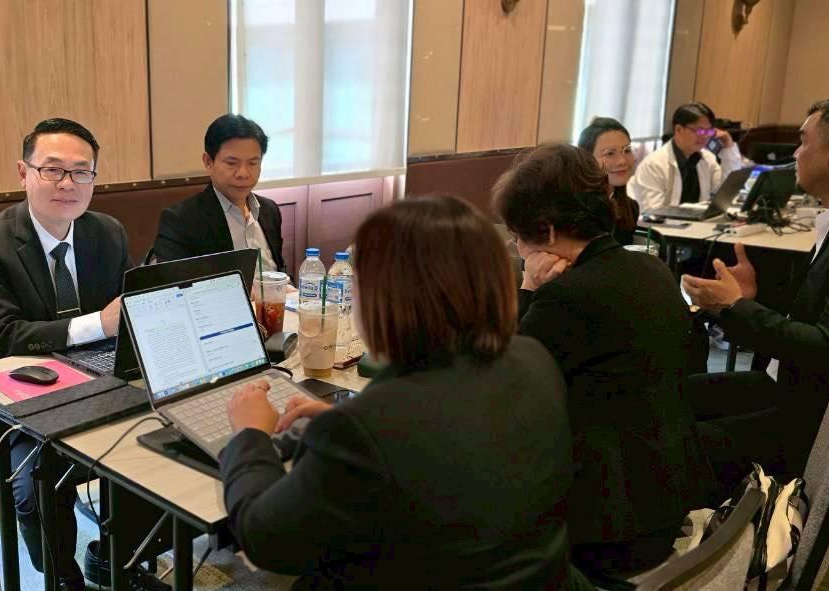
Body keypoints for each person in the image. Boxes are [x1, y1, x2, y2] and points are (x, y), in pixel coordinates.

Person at [219, 196, 589, 589]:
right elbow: (452, 440)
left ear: (384, 300)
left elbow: (265, 540)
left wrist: (251, 434)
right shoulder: (533, 358)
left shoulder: (365, 431)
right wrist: (352, 420)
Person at [0, 118, 166, 591]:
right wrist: (97, 325)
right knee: (35, 480)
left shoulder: (107, 232)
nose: (68, 183)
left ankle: (117, 560)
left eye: (81, 171)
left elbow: (128, 310)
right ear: (23, 172)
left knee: (154, 439)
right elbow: (1, 335)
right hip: (16, 402)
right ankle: (63, 577)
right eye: (52, 169)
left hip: (98, 382)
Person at [495, 144, 712, 582]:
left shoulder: (568, 297)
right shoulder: (650, 269)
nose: (517, 247)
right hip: (663, 500)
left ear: (546, 231)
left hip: (603, 529)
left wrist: (528, 288)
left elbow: (502, 388)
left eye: (517, 236)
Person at [682, 92, 829, 481]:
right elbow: (819, 314)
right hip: (793, 385)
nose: (795, 154)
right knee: (677, 395)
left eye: (803, 142)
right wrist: (752, 300)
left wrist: (735, 307)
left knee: (678, 445)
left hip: (816, 416)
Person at [152, 114, 285, 271]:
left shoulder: (269, 210)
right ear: (208, 162)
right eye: (232, 163)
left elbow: (278, 271)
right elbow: (175, 282)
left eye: (252, 163)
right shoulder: (181, 220)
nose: (243, 173)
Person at [628, 103, 746, 212]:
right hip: (662, 225)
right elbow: (652, 212)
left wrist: (728, 146)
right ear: (679, 130)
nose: (704, 137)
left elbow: (726, 192)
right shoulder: (654, 164)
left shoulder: (707, 159)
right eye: (700, 131)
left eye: (708, 131)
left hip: (694, 223)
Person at [577, 117, 640, 246]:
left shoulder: (630, 208)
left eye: (627, 150)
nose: (622, 161)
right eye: (610, 153)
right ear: (587, 159)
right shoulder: (577, 210)